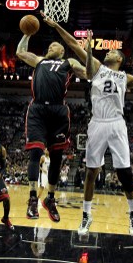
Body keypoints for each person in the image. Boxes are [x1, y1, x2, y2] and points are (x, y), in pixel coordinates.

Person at [41, 19, 133, 236]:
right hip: (97, 123)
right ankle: (86, 216)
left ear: (119, 58)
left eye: (112, 52)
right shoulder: (97, 67)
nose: (108, 52)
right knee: (91, 172)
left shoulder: (126, 77)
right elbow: (72, 43)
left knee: (124, 172)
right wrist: (55, 26)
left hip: (117, 123)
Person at [16, 30, 86, 222]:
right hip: (38, 109)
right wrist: (27, 34)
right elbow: (21, 52)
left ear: (62, 51)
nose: (50, 47)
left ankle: (51, 199)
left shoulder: (69, 63)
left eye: (54, 45)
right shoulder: (39, 60)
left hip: (58, 111)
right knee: (35, 153)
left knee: (56, 157)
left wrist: (85, 52)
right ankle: (32, 199)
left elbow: (88, 72)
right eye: (49, 46)